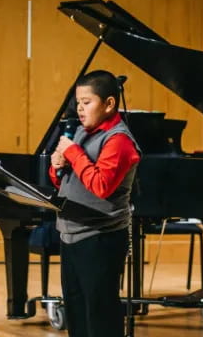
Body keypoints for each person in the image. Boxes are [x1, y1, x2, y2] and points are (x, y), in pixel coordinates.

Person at [49, 70, 141, 337]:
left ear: (109, 104)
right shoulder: (81, 132)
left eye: (87, 102)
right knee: (77, 315)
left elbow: (101, 185)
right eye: (78, 102)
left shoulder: (119, 141)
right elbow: (66, 182)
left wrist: (73, 154)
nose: (80, 108)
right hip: (71, 235)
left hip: (100, 238)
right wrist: (57, 167)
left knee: (100, 318)